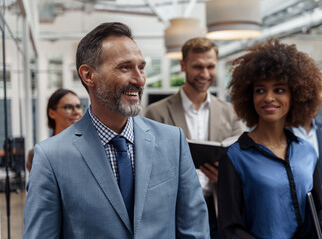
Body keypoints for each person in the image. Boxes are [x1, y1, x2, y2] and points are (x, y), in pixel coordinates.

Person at [23, 22, 209, 238]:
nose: (139, 79)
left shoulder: (173, 141)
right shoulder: (51, 157)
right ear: (88, 75)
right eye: (125, 67)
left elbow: (195, 230)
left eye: (141, 67)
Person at [217, 39, 322, 238]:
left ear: (295, 96)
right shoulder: (234, 157)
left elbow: (320, 208)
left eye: (279, 90)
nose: (269, 98)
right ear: (249, 96)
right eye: (260, 90)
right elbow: (230, 229)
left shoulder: (307, 151)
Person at [144, 37, 242, 239]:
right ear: (183, 65)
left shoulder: (230, 112)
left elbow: (244, 163)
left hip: (217, 208)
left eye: (210, 66)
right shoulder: (156, 113)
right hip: (174, 209)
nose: (205, 74)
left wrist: (226, 174)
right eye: (198, 67)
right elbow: (146, 167)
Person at [26, 88, 83, 172]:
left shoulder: (91, 148)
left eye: (78, 106)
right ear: (52, 113)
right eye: (68, 107)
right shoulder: (37, 154)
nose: (76, 112)